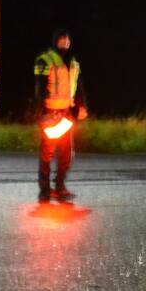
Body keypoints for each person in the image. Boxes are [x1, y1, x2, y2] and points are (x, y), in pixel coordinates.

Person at [34, 28, 88, 203]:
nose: (65, 43)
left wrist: (82, 106)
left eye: (67, 41)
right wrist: (41, 113)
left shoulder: (72, 63)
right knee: (46, 154)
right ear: (55, 41)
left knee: (67, 155)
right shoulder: (45, 59)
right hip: (50, 114)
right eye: (62, 40)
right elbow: (40, 88)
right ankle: (44, 191)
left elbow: (78, 87)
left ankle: (59, 187)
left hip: (66, 115)